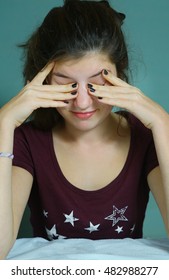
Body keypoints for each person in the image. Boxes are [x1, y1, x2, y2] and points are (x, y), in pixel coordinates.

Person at [0, 0, 168, 259]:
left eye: (96, 84)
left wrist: (162, 121)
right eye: (66, 84)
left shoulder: (145, 137)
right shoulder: (27, 140)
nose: (82, 102)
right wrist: (4, 122)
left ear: (119, 76)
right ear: (43, 82)